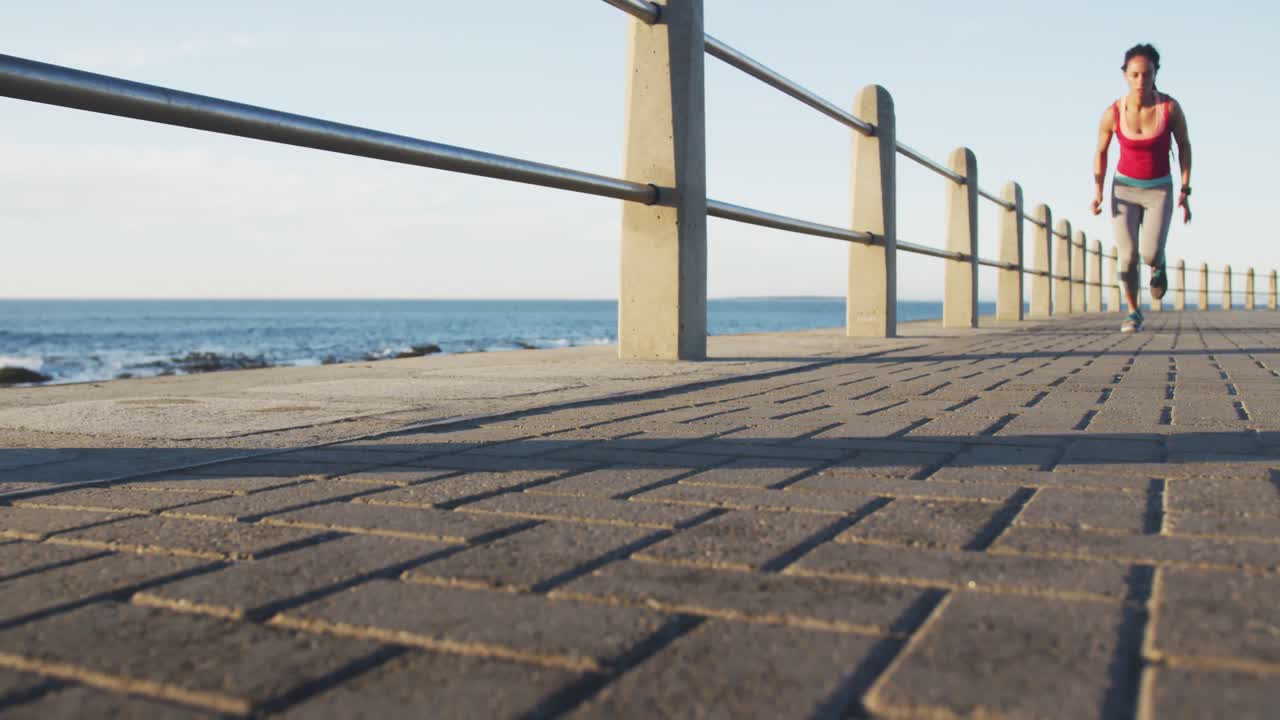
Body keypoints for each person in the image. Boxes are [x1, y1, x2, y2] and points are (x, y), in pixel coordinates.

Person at [1091, 43, 1192, 332]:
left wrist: (1185, 189)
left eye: (1146, 75)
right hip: (1123, 188)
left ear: (1155, 74)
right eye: (1134, 75)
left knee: (1148, 253)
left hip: (1160, 190)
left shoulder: (1169, 108)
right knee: (1128, 255)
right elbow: (1100, 151)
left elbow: (1184, 146)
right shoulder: (1113, 112)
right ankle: (1134, 311)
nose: (1140, 81)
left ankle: (1158, 264)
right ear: (1125, 75)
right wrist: (1098, 191)